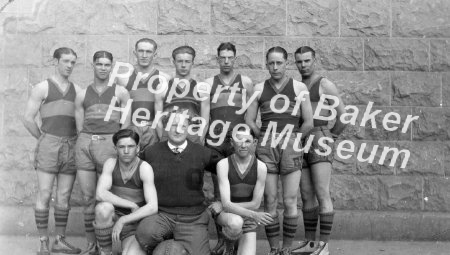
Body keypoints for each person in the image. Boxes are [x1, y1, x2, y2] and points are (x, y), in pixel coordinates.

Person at [246, 46, 314, 255]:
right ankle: (274, 248)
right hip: (267, 144)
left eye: (279, 63)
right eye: (271, 63)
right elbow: (249, 119)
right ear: (266, 64)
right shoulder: (258, 88)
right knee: (271, 199)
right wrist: (263, 136)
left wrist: (294, 139)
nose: (275, 67)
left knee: (290, 199)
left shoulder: (299, 88)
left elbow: (309, 122)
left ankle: (287, 248)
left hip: (291, 144)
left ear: (286, 63)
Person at [136, 109, 222, 255]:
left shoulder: (202, 153)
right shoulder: (151, 153)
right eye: (173, 125)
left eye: (183, 125)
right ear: (166, 127)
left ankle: (175, 247)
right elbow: (132, 171)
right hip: (161, 215)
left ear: (189, 128)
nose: (178, 130)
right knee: (145, 233)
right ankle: (165, 246)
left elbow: (227, 171)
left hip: (193, 219)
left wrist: (221, 201)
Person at [23, 47, 82, 255]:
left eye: (73, 62)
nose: (69, 65)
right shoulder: (42, 88)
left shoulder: (78, 90)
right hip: (49, 144)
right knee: (45, 194)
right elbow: (28, 119)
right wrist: (43, 139)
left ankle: (59, 240)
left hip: (71, 144)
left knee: (64, 195)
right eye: (66, 61)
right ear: (55, 61)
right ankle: (42, 241)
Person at [291, 46, 347, 255]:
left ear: (314, 60)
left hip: (319, 137)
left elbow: (343, 116)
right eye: (299, 61)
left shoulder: (324, 84)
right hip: (301, 139)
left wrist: (329, 136)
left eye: (307, 61)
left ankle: (324, 246)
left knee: (322, 192)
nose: (303, 65)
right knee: (306, 195)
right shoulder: (297, 85)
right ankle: (310, 242)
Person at [74, 51, 131, 254]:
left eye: (107, 64)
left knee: (105, 196)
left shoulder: (120, 92)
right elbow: (80, 126)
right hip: (86, 143)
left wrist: (113, 143)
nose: (103, 68)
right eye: (99, 64)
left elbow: (125, 125)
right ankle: (91, 243)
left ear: (112, 66)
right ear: (93, 65)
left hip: (109, 143)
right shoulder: (82, 94)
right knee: (88, 197)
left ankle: (104, 244)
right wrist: (88, 140)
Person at [204, 42, 254, 255]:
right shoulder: (208, 83)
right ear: (217, 59)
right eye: (222, 57)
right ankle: (222, 242)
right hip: (215, 141)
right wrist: (200, 142)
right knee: (218, 193)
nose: (226, 61)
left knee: (236, 190)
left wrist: (253, 138)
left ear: (235, 59)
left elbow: (251, 116)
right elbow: (205, 116)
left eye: (229, 57)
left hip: (237, 140)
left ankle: (234, 241)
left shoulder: (246, 82)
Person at [94, 129, 158, 255]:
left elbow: (153, 207)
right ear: (115, 148)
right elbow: (100, 194)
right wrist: (130, 204)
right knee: (102, 209)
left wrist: (124, 220)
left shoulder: (144, 168)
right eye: (122, 147)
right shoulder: (111, 163)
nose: (126, 151)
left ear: (138, 147)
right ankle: (106, 252)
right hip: (114, 219)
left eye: (131, 146)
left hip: (135, 223)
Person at [215, 126, 271, 255]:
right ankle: (229, 246)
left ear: (254, 143)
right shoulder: (223, 164)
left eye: (247, 141)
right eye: (239, 140)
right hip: (228, 216)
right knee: (235, 223)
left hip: (247, 218)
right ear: (232, 142)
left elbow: (255, 204)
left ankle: (236, 247)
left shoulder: (261, 167)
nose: (243, 145)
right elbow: (226, 204)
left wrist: (223, 205)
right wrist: (254, 214)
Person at [118, 38, 171, 155]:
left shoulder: (165, 78)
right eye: (141, 51)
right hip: (131, 129)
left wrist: (163, 136)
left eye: (148, 52)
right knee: (130, 167)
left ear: (155, 55)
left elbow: (167, 110)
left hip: (154, 129)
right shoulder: (123, 79)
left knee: (153, 167)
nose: (144, 55)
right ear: (135, 53)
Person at [154, 45, 210, 144]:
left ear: (192, 63)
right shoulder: (162, 87)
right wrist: (162, 139)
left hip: (193, 136)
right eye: (180, 61)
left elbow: (205, 121)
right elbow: (158, 119)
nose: (183, 65)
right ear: (173, 62)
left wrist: (199, 140)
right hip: (168, 136)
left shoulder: (201, 89)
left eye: (187, 61)